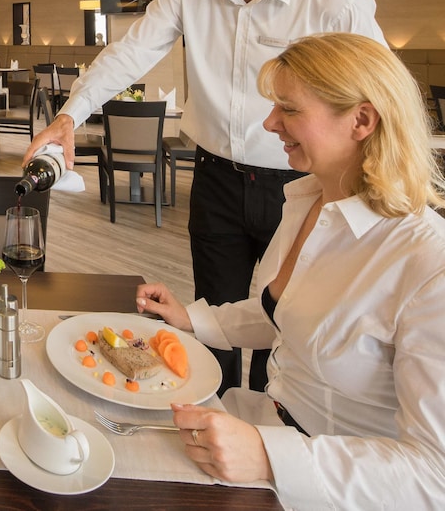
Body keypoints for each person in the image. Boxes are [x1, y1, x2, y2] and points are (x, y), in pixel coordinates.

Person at [24, 0, 386, 394]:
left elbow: (384, 98)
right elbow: (128, 55)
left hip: (304, 185)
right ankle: (211, 411)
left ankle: (266, 422)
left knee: (284, 319)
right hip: (215, 178)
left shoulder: (336, 4)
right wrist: (67, 116)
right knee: (212, 313)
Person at [136, 33, 445, 509]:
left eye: (290, 109)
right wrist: (193, 319)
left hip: (328, 486)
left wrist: (269, 457)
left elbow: (433, 475)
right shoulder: (308, 202)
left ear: (362, 120)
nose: (269, 122)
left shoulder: (428, 264)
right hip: (262, 423)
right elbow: (285, 314)